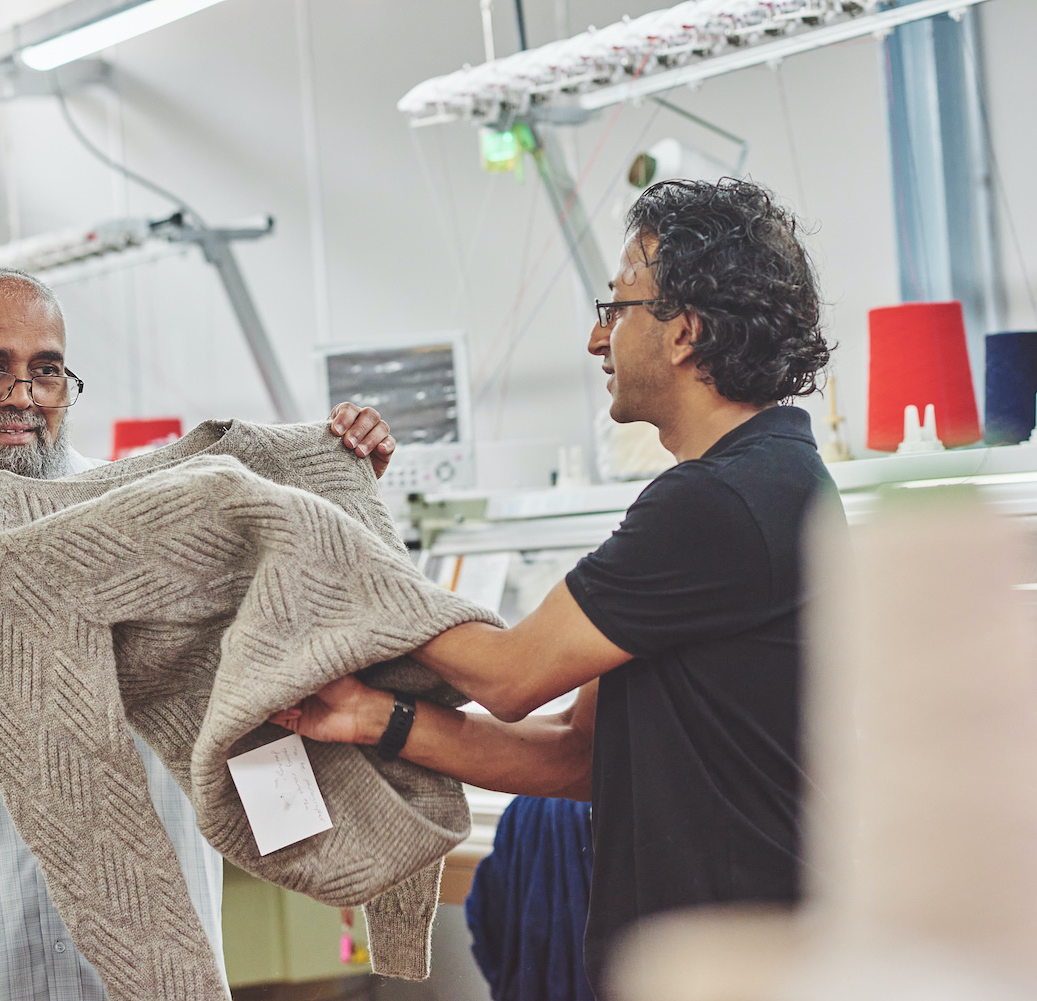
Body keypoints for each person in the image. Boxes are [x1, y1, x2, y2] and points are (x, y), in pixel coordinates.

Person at [271, 179, 842, 996]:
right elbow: (578, 757)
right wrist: (373, 717)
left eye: (615, 307)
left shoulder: (717, 501)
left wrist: (331, 529)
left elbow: (506, 678)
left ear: (685, 330)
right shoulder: (767, 482)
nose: (593, 338)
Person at [0, 267, 397, 1001]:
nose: (23, 396)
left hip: (142, 968)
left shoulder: (152, 513)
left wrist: (339, 496)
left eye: (46, 371)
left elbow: (281, 644)